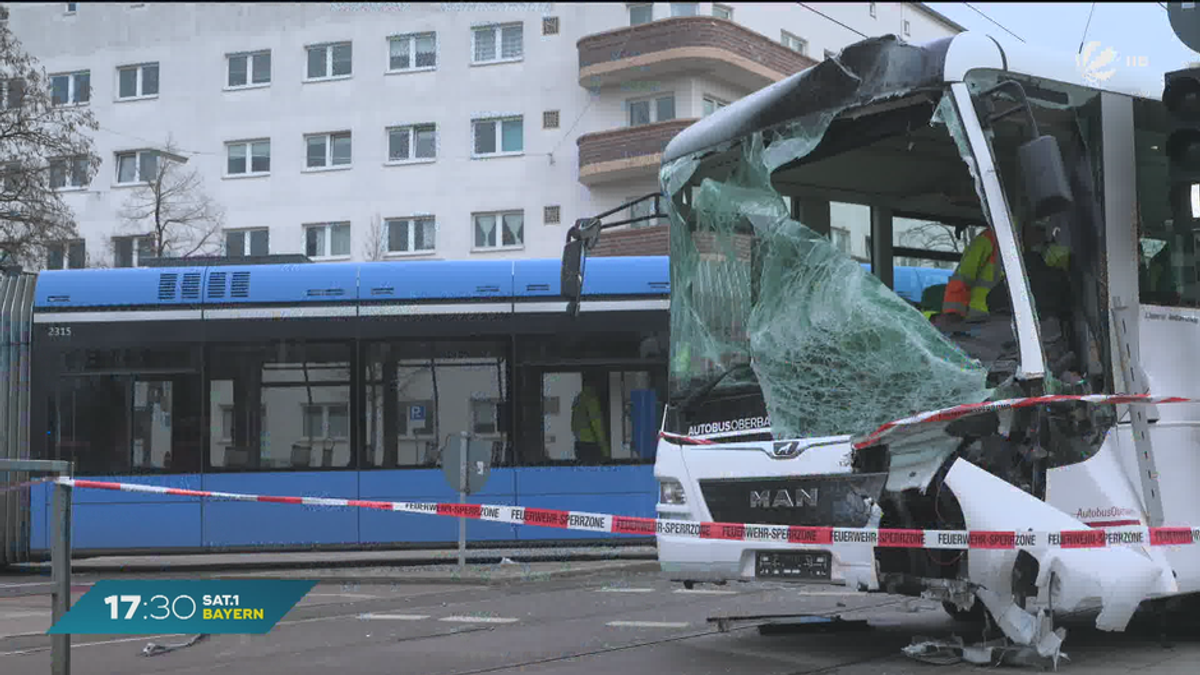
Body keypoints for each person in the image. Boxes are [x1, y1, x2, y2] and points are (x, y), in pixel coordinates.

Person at [935, 221, 1070, 328]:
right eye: (1037, 228)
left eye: (1043, 230)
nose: (1039, 235)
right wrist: (953, 315)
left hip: (1023, 327)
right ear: (1025, 222)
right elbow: (961, 279)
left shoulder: (1049, 252)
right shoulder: (991, 238)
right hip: (979, 323)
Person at [571, 370, 609, 463]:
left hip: (580, 444)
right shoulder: (591, 399)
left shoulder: (579, 398)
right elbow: (597, 425)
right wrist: (605, 451)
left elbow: (573, 424)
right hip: (591, 446)